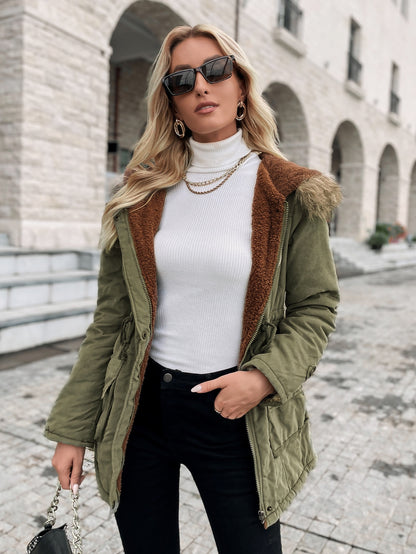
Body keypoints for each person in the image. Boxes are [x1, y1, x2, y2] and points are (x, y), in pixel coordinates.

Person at [45, 23, 341, 554]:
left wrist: (264, 378)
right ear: (172, 102)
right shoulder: (141, 191)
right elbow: (111, 320)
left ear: (241, 84)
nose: (201, 85)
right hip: (140, 407)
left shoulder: (290, 191)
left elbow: (315, 306)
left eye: (215, 70)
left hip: (234, 412)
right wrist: (73, 429)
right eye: (182, 79)